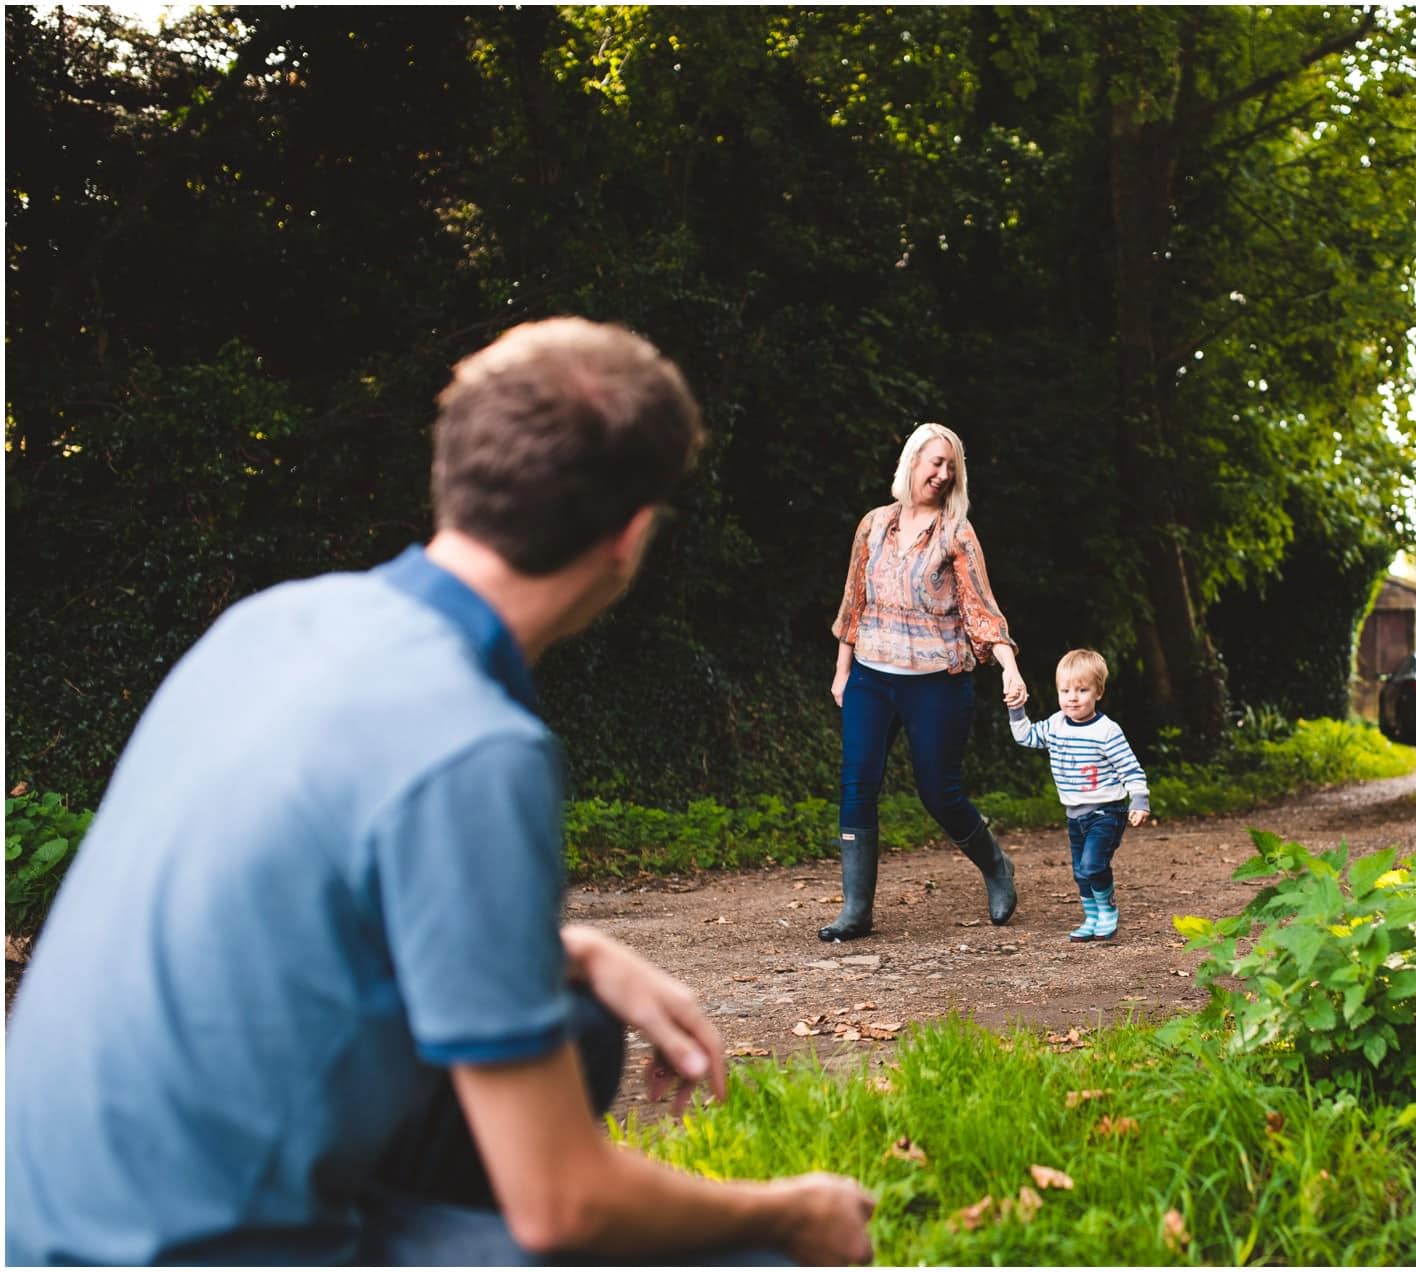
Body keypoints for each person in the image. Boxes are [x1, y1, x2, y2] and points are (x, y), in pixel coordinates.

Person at [4, 318, 876, 1266]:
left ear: (456, 474)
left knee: (574, 1026)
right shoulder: (474, 745)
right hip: (171, 1253)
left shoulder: (277, 622)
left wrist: (575, 951)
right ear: (629, 539)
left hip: (38, 1213)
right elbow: (565, 1208)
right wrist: (792, 1211)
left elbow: (296, 911)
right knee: (755, 1259)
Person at [819, 422, 1028, 942]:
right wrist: (843, 672)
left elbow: (981, 609)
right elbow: (853, 602)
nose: (941, 474)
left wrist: (1010, 666)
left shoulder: (957, 532)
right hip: (871, 675)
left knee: (939, 792)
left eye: (950, 467)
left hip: (936, 681)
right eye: (934, 462)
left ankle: (996, 866)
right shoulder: (873, 525)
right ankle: (856, 911)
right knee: (856, 785)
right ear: (911, 462)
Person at [1008, 649, 1150, 942]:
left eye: (1082, 690)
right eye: (1065, 690)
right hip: (1074, 814)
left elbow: (1130, 768)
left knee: (1093, 866)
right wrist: (1017, 710)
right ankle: (1092, 917)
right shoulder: (1056, 724)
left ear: (1098, 692)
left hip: (1106, 811)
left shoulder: (1107, 731)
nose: (1072, 697)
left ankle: (1108, 910)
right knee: (1080, 872)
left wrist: (1139, 799)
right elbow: (1026, 737)